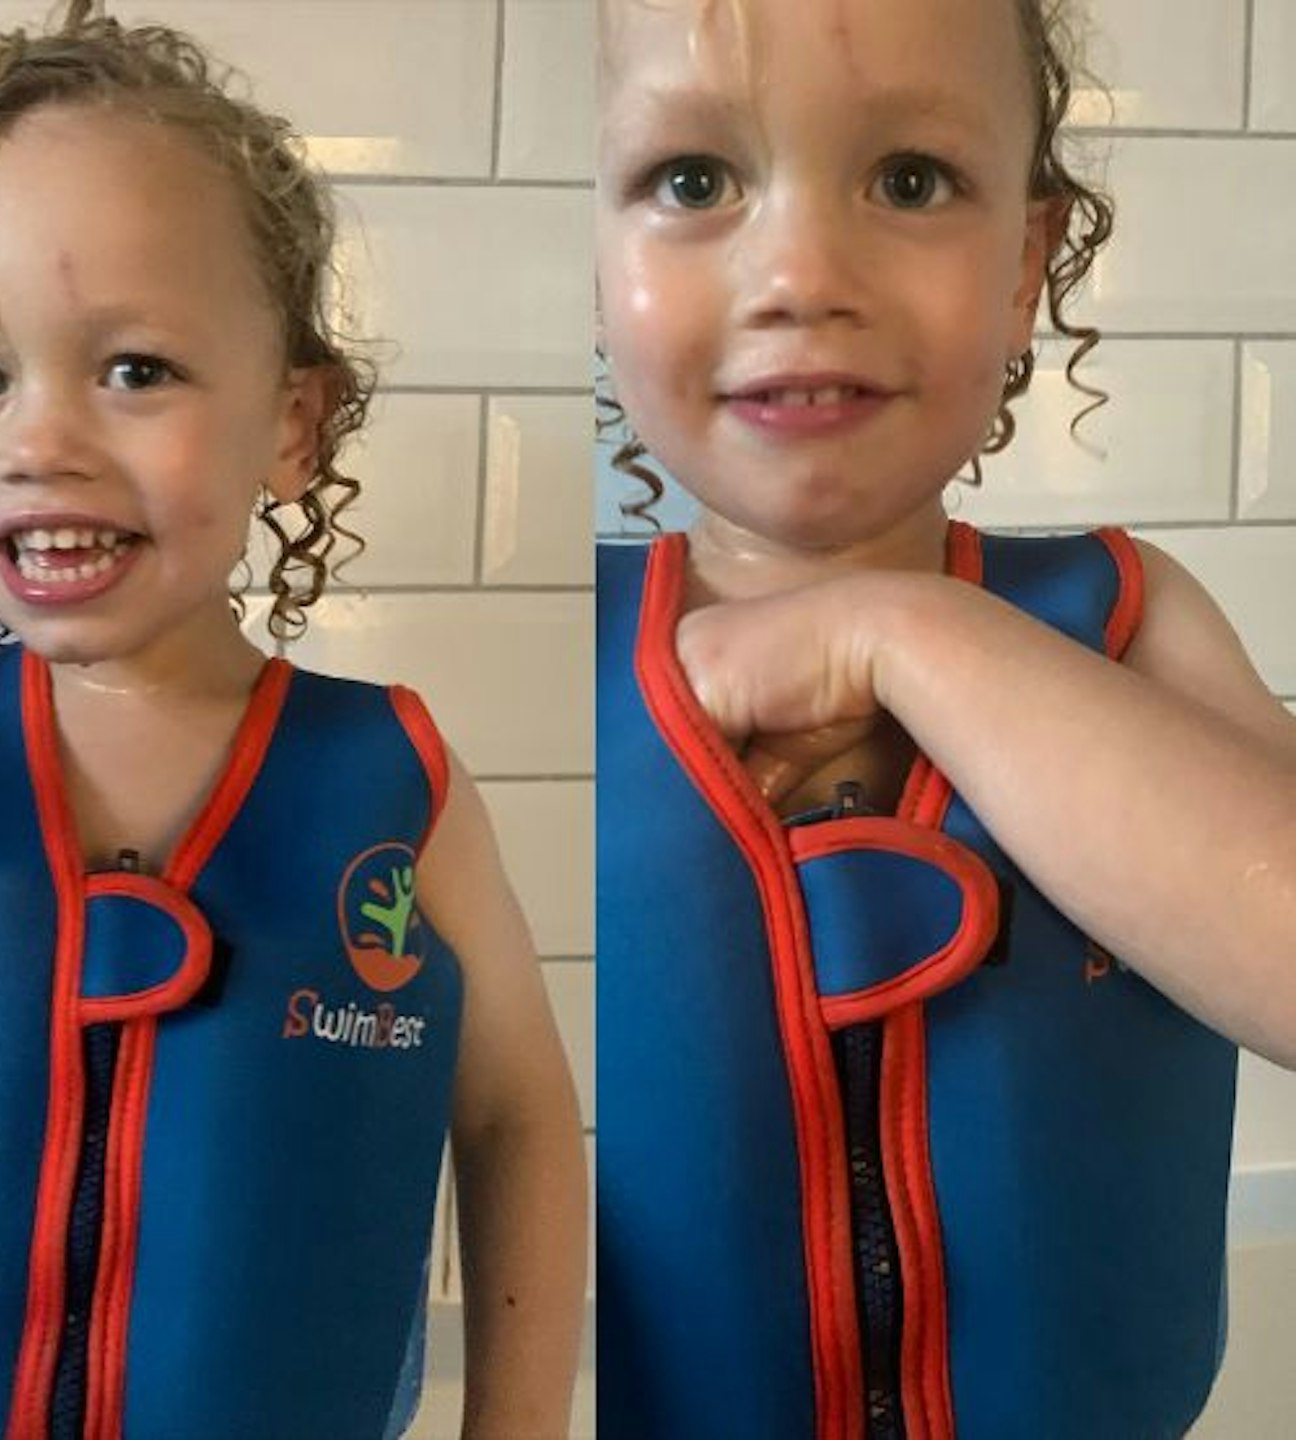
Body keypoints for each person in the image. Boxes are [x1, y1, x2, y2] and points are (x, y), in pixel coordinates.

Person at [0, 5, 585, 1438]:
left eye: (135, 369)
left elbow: (517, 1126)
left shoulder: (396, 784)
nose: (40, 439)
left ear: (293, 423)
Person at [596, 0, 1296, 1436]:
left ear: (1026, 262)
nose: (799, 273)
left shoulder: (1120, 616)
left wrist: (898, 628)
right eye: (691, 181)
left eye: (910, 180)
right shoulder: (582, 647)